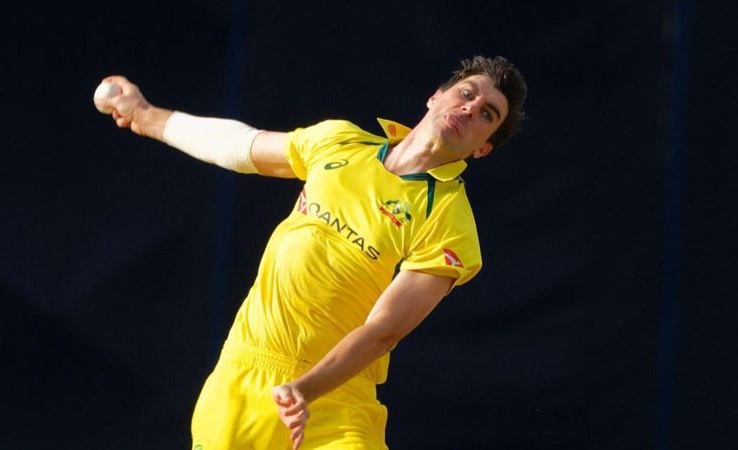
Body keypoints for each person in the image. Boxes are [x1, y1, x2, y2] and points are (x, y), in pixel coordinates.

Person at [99, 55, 527, 450]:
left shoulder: (451, 222)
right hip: (242, 379)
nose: (470, 108)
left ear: (482, 148)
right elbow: (240, 146)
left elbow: (384, 330)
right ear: (436, 96)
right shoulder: (340, 142)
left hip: (336, 403)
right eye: (466, 93)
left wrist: (305, 389)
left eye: (487, 114)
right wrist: (144, 114)